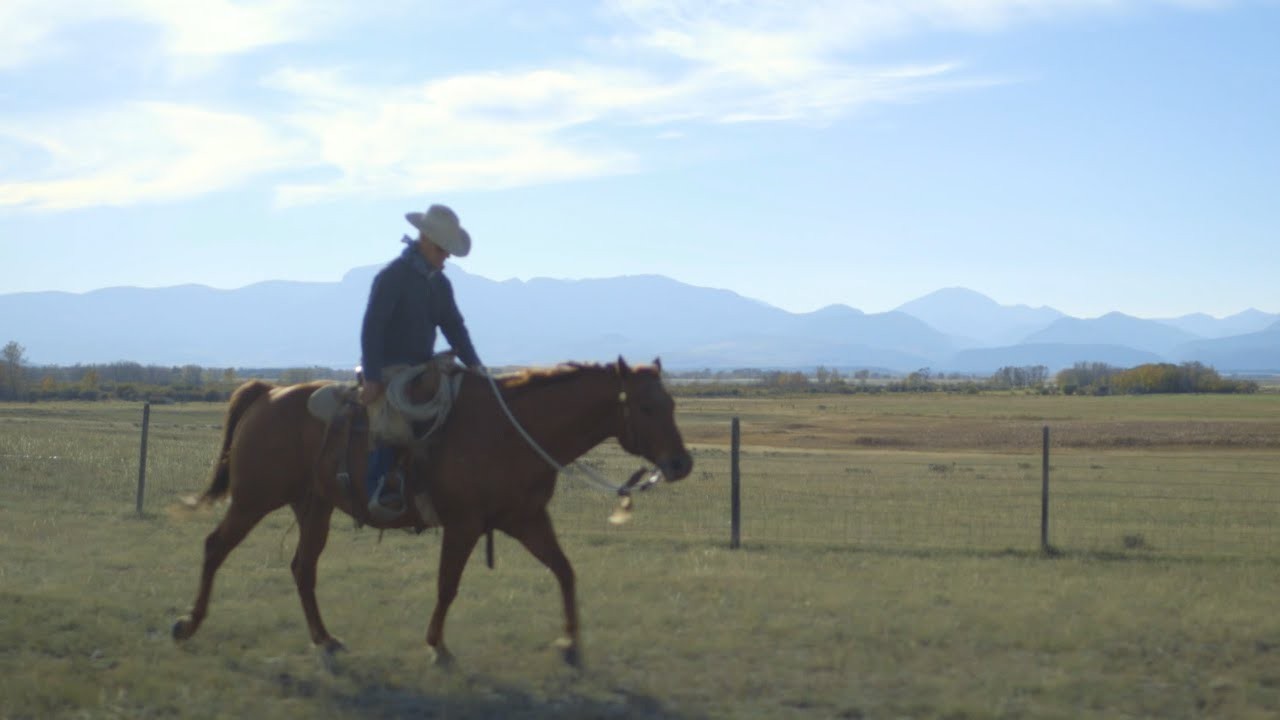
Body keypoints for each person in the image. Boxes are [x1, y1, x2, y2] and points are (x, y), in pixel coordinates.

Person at [358, 203, 482, 516]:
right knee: (394, 423)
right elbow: (373, 327)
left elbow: (454, 326)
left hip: (421, 368)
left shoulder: (440, 284)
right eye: (443, 249)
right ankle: (380, 488)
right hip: (390, 369)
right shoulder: (393, 277)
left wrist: (476, 367)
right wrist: (373, 378)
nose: (447, 257)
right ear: (425, 241)